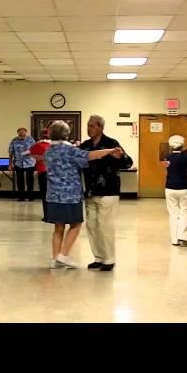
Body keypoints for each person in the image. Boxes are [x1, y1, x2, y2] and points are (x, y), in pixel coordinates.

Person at [44, 120, 123, 270]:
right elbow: (90, 155)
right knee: (75, 225)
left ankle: (55, 259)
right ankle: (64, 255)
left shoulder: (49, 151)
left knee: (58, 227)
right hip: (70, 195)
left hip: (53, 195)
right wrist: (109, 151)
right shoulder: (70, 151)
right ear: (66, 134)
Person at [80, 115, 133, 272]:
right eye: (88, 126)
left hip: (109, 190)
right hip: (90, 191)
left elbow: (128, 162)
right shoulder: (85, 146)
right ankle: (99, 257)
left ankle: (109, 259)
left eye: (91, 126)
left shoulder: (111, 143)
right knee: (92, 225)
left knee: (105, 226)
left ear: (100, 128)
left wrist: (120, 157)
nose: (88, 129)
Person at [27, 129, 51, 222]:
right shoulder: (56, 145)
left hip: (43, 171)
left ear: (41, 136)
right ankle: (55, 216)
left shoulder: (37, 145)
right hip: (55, 172)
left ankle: (47, 216)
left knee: (45, 194)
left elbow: (29, 153)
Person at [8, 127, 36, 202]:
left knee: (29, 181)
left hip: (30, 162)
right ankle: (21, 197)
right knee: (20, 181)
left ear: (26, 133)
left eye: (23, 135)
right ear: (18, 134)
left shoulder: (31, 140)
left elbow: (35, 149)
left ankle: (30, 196)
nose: (22, 136)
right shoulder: (14, 140)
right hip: (18, 163)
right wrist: (10, 164)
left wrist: (29, 152)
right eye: (20, 135)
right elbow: (11, 153)